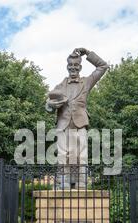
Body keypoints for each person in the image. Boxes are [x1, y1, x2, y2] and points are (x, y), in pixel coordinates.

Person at [46, 48, 108, 189]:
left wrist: (87, 53)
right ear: (67, 67)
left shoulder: (86, 82)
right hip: (63, 124)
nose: (73, 68)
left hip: (80, 123)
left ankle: (82, 182)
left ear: (80, 67)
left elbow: (103, 66)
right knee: (63, 155)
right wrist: (50, 105)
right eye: (70, 66)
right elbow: (48, 104)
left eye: (76, 66)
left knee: (82, 154)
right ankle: (64, 183)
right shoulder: (60, 86)